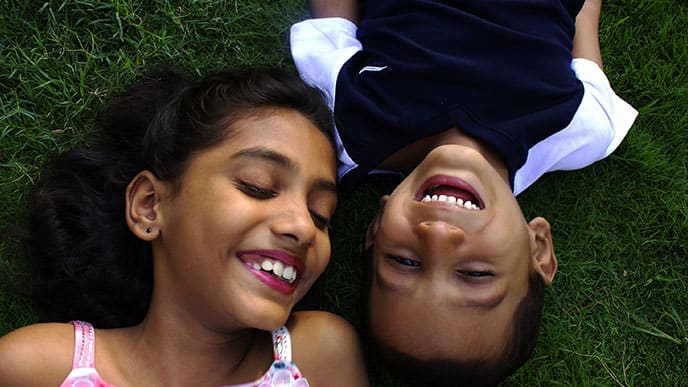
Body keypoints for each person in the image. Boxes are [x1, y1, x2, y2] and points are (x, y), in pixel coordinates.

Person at [290, 0, 637, 385]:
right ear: (538, 249)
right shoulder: (580, 129)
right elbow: (583, 23)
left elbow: (332, 22)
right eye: (475, 273)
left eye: (404, 262)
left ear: (375, 228)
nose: (437, 235)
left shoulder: (350, 118)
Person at [0, 67, 369, 386]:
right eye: (257, 187)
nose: (304, 227)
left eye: (322, 215)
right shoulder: (39, 367)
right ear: (149, 205)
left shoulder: (319, 354)